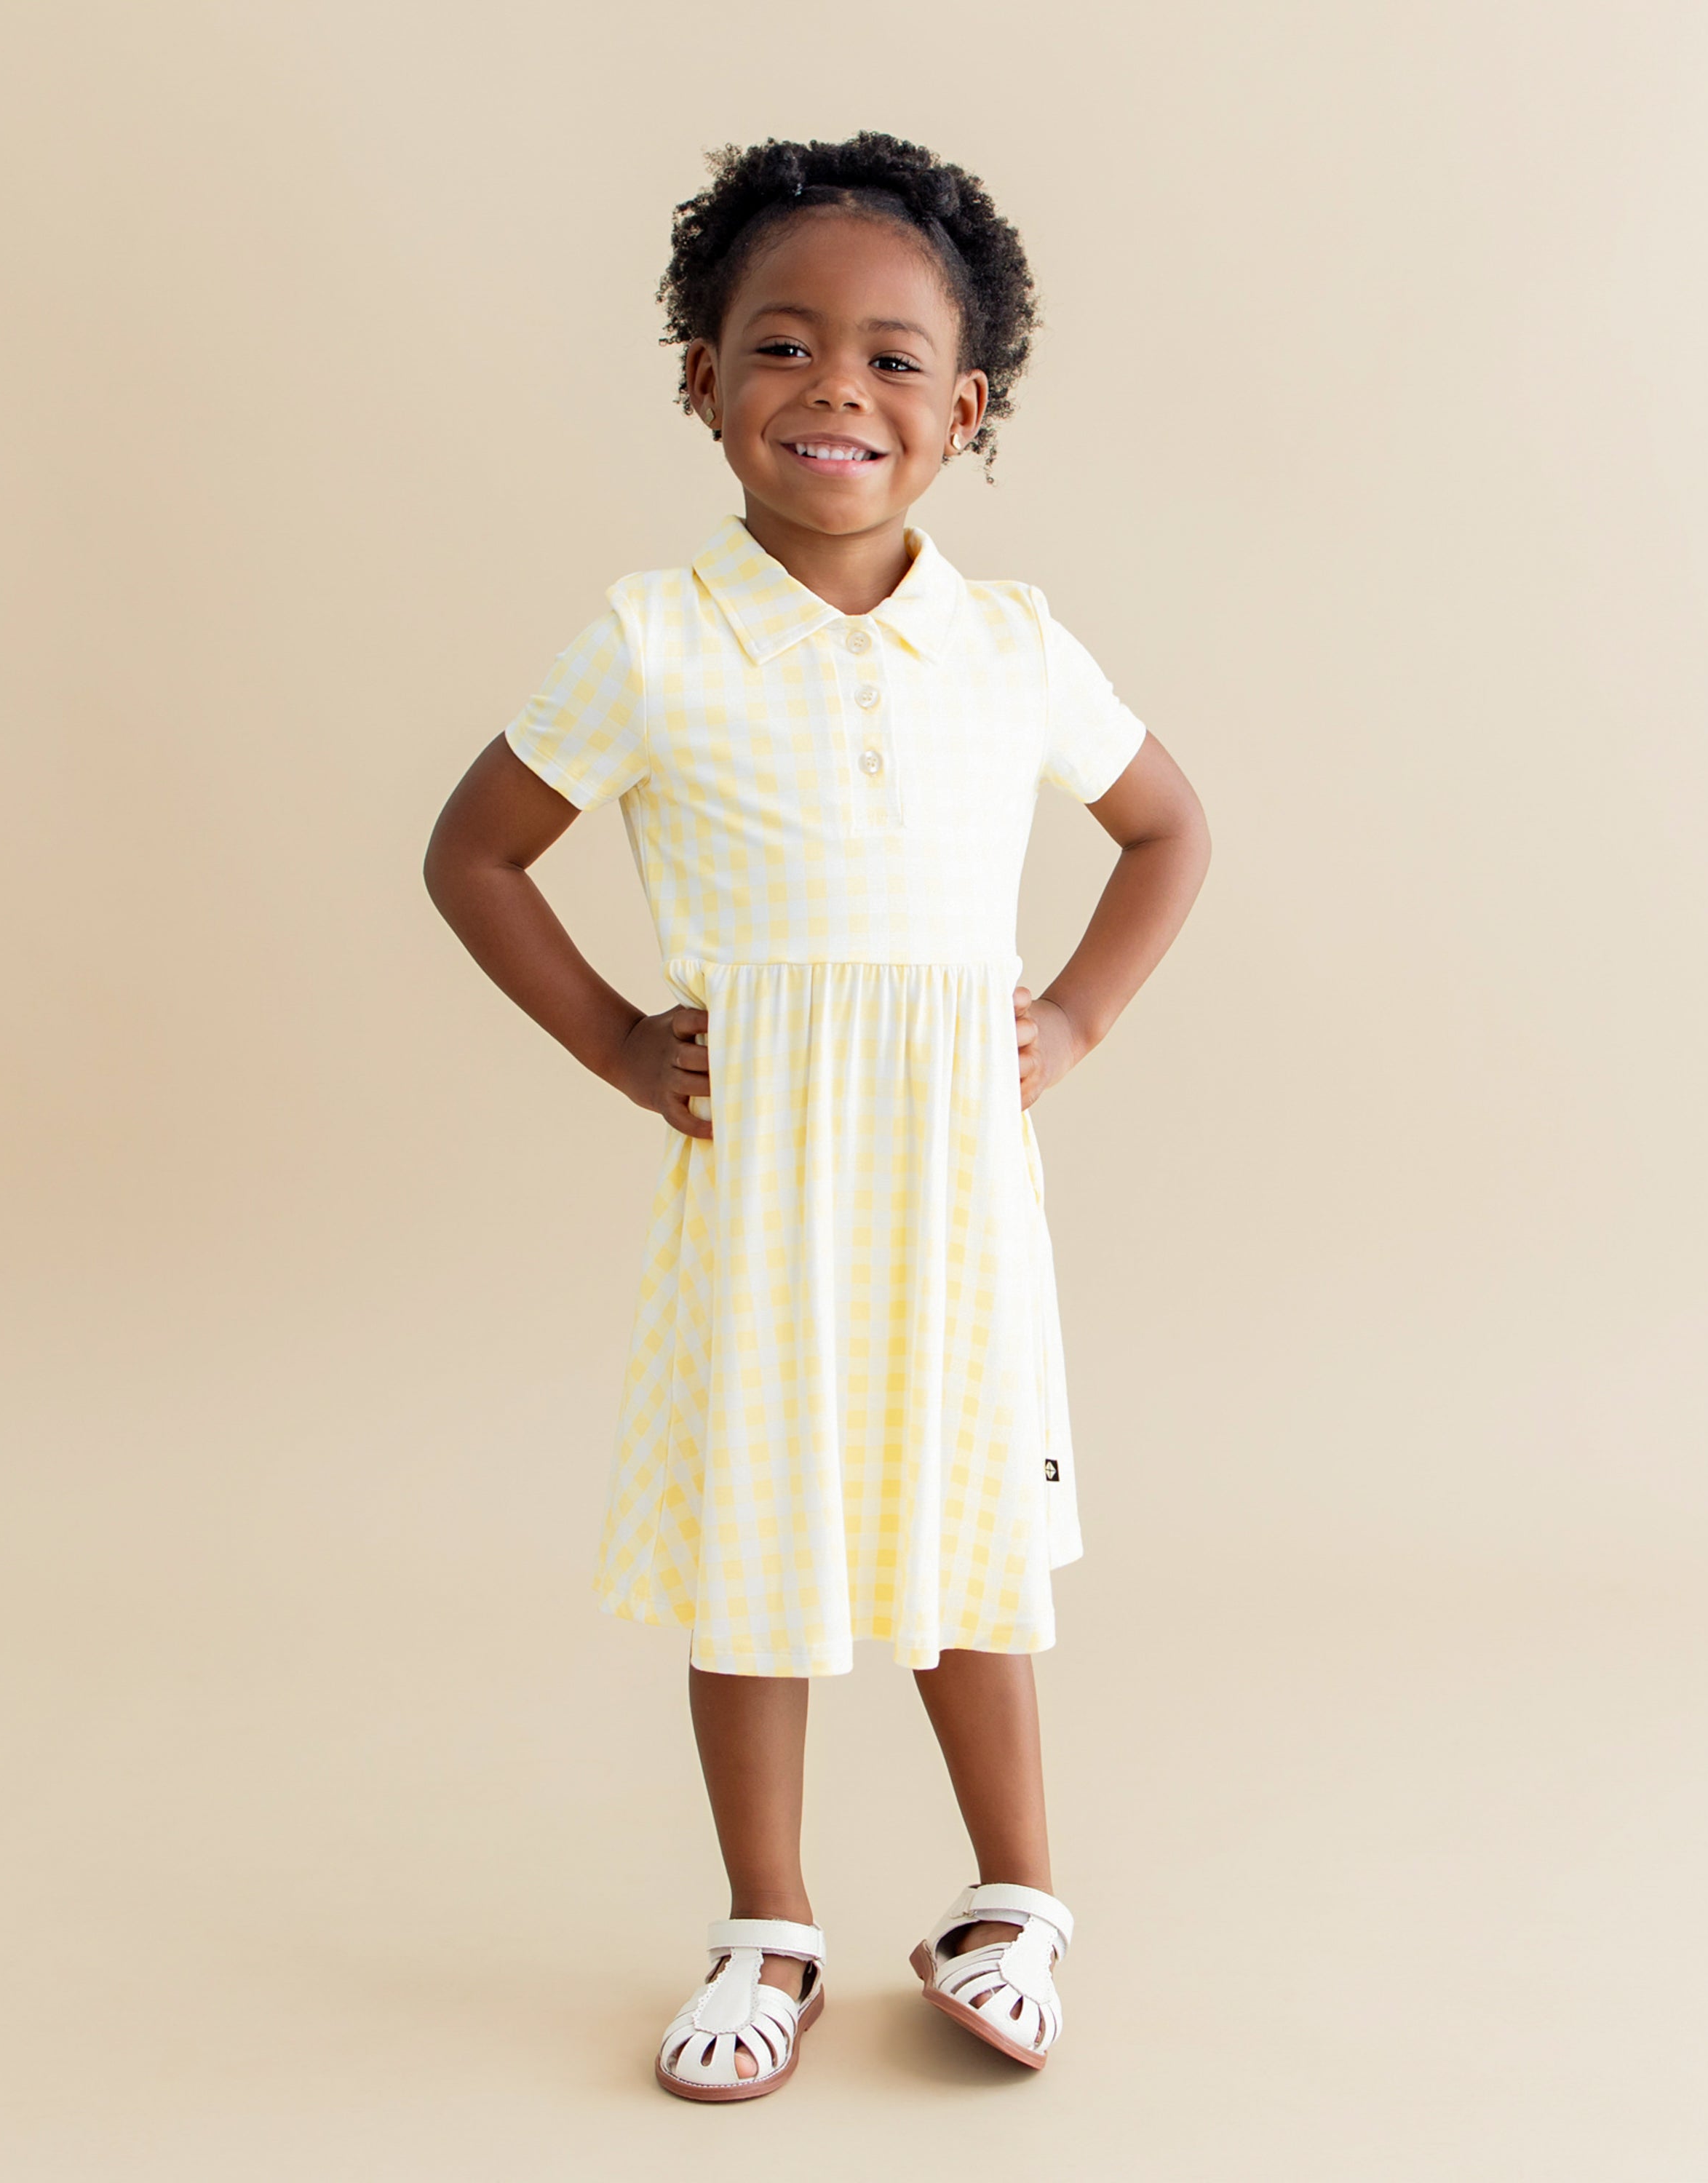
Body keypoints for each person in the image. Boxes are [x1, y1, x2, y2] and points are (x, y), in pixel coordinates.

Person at [423, 130, 1209, 2102]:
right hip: (764, 1188)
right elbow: (477, 856)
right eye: (779, 345)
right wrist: (618, 1042)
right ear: (704, 380)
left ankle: (1019, 1899)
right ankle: (766, 1925)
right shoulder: (652, 638)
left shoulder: (1015, 646)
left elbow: (1167, 827)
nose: (832, 390)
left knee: (967, 1553)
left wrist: (1079, 1019)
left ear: (968, 408)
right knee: (755, 1552)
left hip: (957, 1185)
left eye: (886, 358)